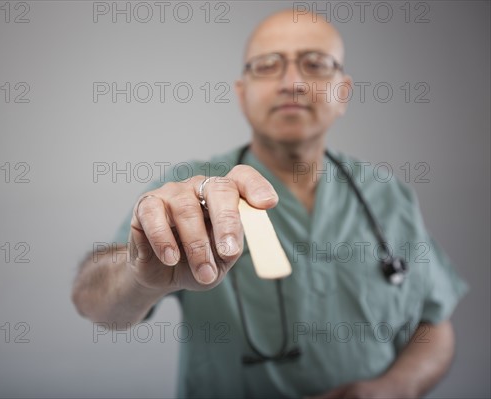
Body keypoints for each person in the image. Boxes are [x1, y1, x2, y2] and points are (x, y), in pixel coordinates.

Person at [72, 9, 468, 398]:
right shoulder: (187, 193)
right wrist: (137, 277)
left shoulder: (389, 196)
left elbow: (434, 323)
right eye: (267, 65)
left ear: (343, 93)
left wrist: (395, 388)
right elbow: (92, 302)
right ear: (242, 94)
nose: (292, 82)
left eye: (314, 64)